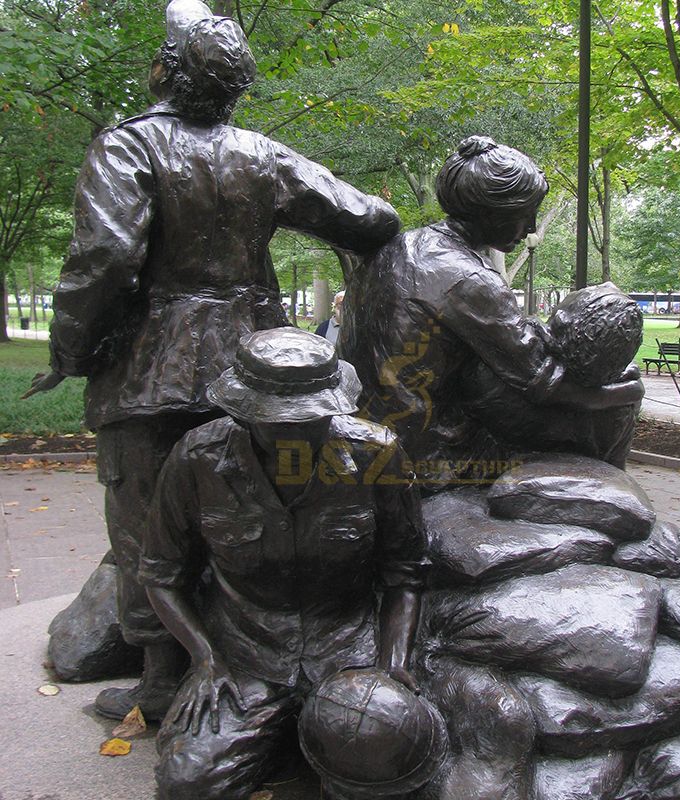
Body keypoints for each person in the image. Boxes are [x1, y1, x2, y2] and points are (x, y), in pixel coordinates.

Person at [24, 0, 400, 721]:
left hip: (151, 368)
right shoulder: (264, 155)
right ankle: (261, 670)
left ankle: (165, 680)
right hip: (259, 374)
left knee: (145, 522)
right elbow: (372, 220)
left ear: (164, 70)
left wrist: (72, 350)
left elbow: (104, 257)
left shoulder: (127, 148)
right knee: (247, 511)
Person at [137, 328, 427, 800]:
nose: (295, 432)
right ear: (246, 411)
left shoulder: (377, 453)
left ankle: (308, 741)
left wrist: (391, 664)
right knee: (189, 783)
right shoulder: (197, 458)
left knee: (385, 769)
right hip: (245, 654)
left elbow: (405, 571)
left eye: (308, 420)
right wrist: (206, 658)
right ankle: (280, 736)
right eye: (278, 421)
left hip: (347, 648)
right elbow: (161, 575)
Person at [339, 136, 643, 487]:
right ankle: (608, 494)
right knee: (617, 397)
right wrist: (624, 394)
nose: (530, 228)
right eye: (523, 215)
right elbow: (543, 381)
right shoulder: (470, 278)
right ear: (490, 213)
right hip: (427, 456)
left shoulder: (400, 247)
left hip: (365, 433)